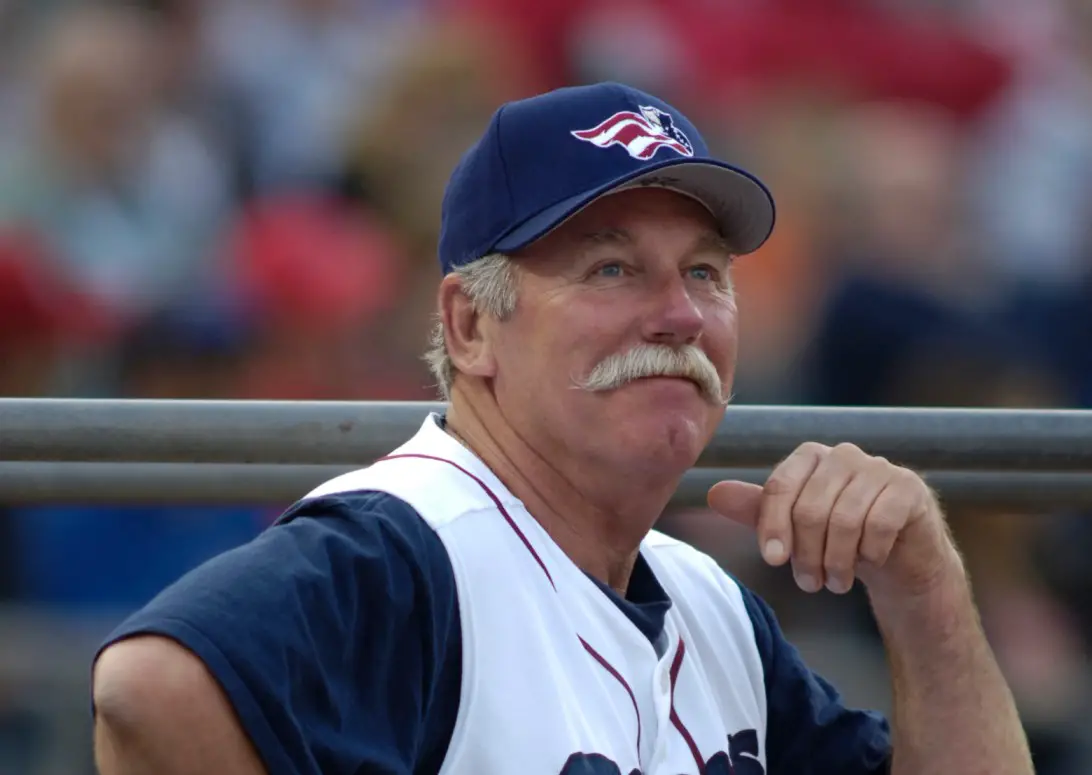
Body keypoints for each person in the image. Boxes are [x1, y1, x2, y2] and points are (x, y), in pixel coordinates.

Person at [90, 82, 1032, 775]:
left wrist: (924, 589)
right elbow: (152, 690)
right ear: (470, 326)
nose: (679, 315)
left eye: (705, 272)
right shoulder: (411, 545)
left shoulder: (709, 605)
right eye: (613, 270)